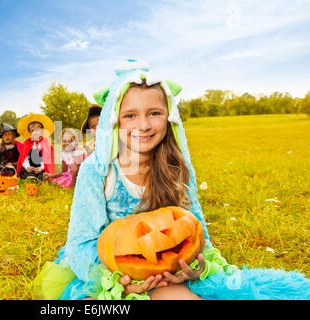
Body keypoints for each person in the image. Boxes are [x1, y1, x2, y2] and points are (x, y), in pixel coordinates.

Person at [32, 60, 310, 301]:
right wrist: (120, 282)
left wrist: (199, 264)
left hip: (168, 268)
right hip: (111, 269)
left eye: (154, 113)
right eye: (130, 115)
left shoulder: (177, 166)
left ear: (169, 118)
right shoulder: (99, 170)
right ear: (114, 122)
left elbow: (195, 226)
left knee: (173, 293)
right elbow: (81, 244)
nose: (144, 125)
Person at [16, 113, 55, 180]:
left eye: (37, 130)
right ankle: (31, 178)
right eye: (32, 131)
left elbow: (48, 159)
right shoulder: (27, 143)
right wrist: (27, 167)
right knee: (27, 175)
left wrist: (42, 168)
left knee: (43, 176)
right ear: (30, 132)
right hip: (30, 168)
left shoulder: (46, 143)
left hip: (42, 169)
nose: (35, 132)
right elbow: (24, 157)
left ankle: (39, 178)